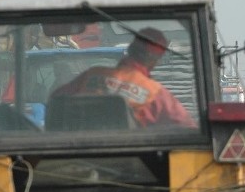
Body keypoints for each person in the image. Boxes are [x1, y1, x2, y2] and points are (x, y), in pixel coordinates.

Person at [51, 27, 196, 128]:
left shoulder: (92, 74)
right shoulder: (155, 92)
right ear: (155, 60)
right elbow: (187, 127)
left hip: (80, 158)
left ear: (130, 50)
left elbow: (56, 102)